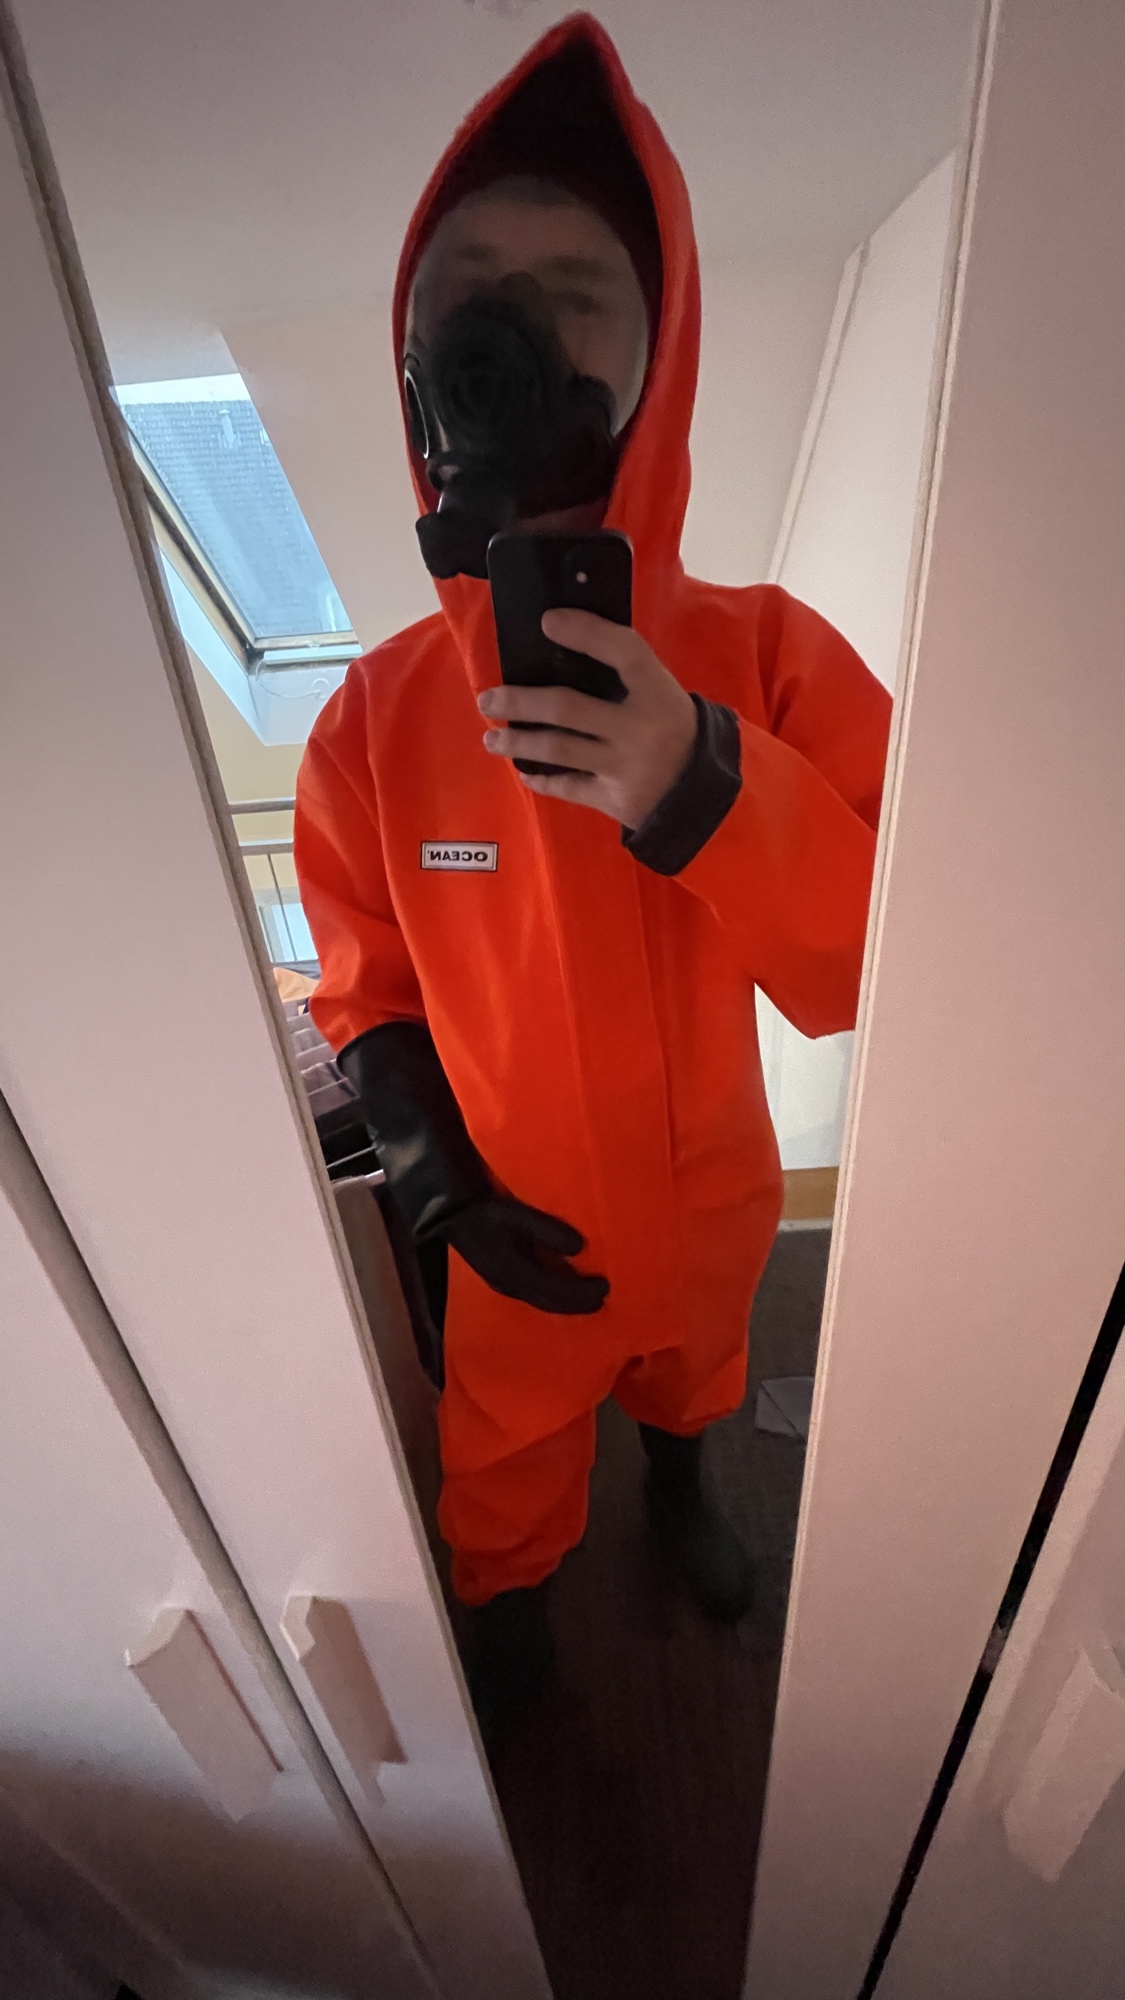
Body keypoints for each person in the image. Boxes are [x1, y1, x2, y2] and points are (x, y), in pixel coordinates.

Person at [294, 12, 892, 1743]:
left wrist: (703, 782)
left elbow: (877, 968)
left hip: (710, 1207)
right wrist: (431, 1181)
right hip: (510, 1215)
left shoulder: (771, 660)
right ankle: (508, 1601)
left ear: (660, 347)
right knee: (500, 1460)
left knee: (696, 1376)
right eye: (475, 292)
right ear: (418, 353)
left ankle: (685, 1490)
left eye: (577, 293)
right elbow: (361, 987)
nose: (521, 329)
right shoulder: (372, 720)